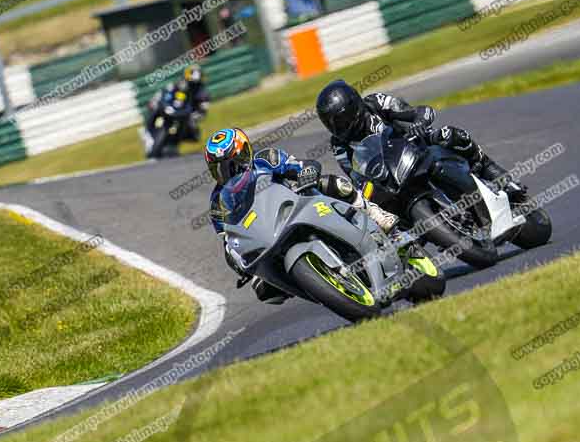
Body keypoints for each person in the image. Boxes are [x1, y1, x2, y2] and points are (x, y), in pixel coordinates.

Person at [204, 127, 399, 305]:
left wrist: (306, 172)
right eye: (219, 169)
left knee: (333, 184)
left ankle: (376, 214)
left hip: (300, 203)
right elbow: (229, 239)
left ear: (246, 152)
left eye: (234, 162)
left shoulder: (265, 159)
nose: (229, 172)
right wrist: (239, 263)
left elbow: (302, 165)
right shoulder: (217, 201)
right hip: (266, 237)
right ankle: (317, 283)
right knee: (263, 288)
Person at [315, 80, 527, 203]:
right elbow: (355, 176)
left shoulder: (375, 103)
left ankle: (498, 176)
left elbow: (415, 112)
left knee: (450, 135)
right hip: (388, 178)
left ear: (355, 107)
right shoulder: (339, 145)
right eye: (331, 122)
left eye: (341, 119)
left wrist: (419, 123)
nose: (338, 126)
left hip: (415, 146)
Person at [143, 65, 211, 154]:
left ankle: (174, 144)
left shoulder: (203, 94)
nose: (192, 86)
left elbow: (202, 113)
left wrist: (193, 116)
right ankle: (148, 133)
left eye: (195, 84)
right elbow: (162, 94)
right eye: (190, 83)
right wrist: (154, 102)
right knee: (154, 110)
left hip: (185, 115)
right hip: (170, 109)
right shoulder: (176, 85)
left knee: (194, 132)